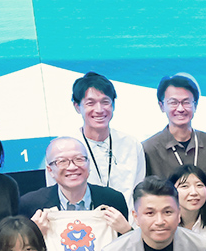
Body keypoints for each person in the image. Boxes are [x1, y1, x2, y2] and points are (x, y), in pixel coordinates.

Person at [54, 72, 144, 207]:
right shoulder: (62, 148)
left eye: (105, 102)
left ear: (113, 104)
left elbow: (140, 193)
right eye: (90, 103)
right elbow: (55, 194)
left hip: (125, 219)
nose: (99, 109)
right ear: (77, 106)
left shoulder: (131, 144)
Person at [142, 73, 206, 189]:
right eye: (173, 102)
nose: (180, 109)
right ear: (162, 106)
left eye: (186, 102)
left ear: (195, 105)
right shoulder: (149, 149)